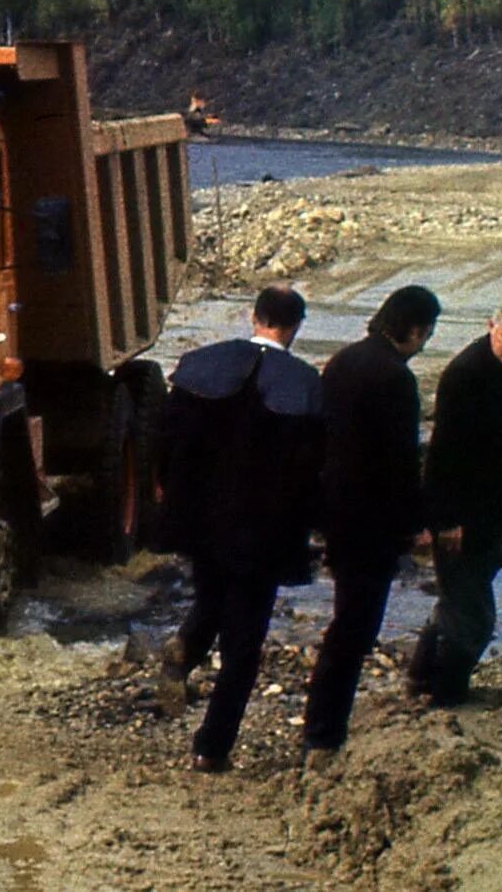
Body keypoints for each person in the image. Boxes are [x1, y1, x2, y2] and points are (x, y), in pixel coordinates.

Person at [156, 285, 324, 774]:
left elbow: (164, 441)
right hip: (262, 536)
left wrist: (171, 497)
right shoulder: (304, 385)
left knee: (210, 596)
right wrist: (312, 532)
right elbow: (311, 474)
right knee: (243, 647)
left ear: (254, 317)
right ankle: (211, 747)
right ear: (295, 327)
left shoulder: (200, 366)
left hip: (201, 523)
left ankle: (185, 648)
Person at [302, 284, 441, 763]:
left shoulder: (342, 362)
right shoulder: (396, 378)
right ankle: (323, 735)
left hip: (337, 512)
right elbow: (402, 463)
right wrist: (415, 524)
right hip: (373, 521)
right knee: (354, 628)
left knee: (347, 622)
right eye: (427, 335)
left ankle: (323, 729)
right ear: (416, 330)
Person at [408, 293, 502, 707]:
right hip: (463, 515)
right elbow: (445, 454)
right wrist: (445, 520)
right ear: (491, 326)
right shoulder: (466, 375)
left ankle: (422, 679)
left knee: (459, 602)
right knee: (474, 615)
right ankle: (447, 692)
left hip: (490, 515)